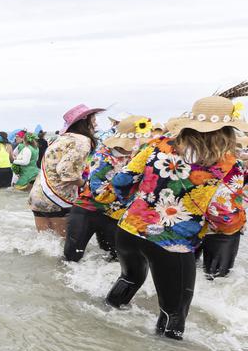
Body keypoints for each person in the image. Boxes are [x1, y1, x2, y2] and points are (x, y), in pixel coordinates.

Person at [105, 95, 245, 338]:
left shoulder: (158, 144)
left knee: (129, 280)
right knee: (174, 312)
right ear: (228, 130)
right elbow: (226, 217)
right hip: (172, 244)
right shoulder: (228, 165)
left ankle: (101, 327)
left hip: (129, 230)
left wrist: (143, 204)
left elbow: (121, 181)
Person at [63, 115, 152, 262]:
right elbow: (99, 193)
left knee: (115, 260)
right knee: (72, 257)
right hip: (88, 211)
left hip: (114, 216)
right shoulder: (103, 156)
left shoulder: (138, 157)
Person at [29, 104, 99, 236]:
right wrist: (85, 185)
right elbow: (67, 173)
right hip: (58, 197)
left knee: (44, 244)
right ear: (85, 121)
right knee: (63, 246)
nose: (96, 124)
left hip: (38, 194)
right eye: (94, 120)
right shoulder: (82, 141)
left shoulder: (61, 138)